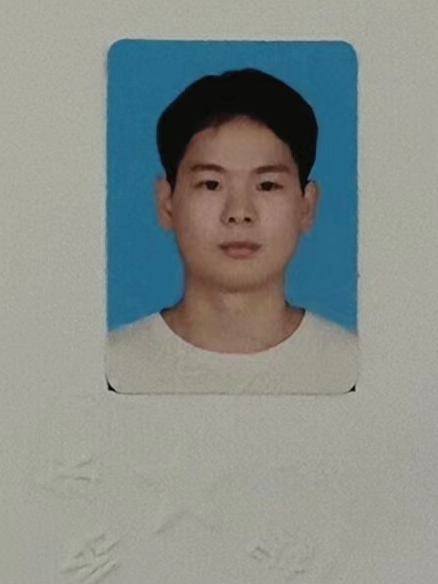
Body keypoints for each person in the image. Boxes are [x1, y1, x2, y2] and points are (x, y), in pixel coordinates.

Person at [106, 67, 358, 394]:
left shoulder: (350, 369)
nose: (239, 213)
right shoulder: (115, 368)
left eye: (267, 185)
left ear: (306, 206)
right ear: (166, 202)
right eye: (211, 184)